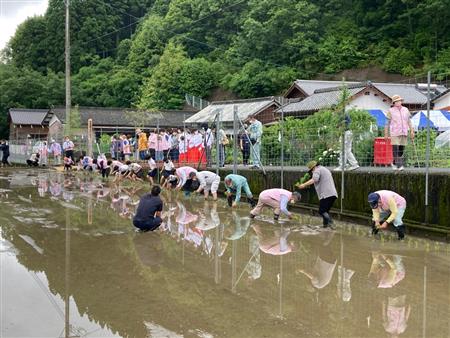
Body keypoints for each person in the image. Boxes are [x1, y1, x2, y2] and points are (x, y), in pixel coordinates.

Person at [296, 161, 338, 229]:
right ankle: (325, 226)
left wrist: (303, 184)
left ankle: (331, 223)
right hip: (332, 194)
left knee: (321, 211)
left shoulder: (317, 170)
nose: (311, 172)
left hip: (325, 194)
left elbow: (314, 179)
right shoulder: (324, 169)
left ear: (314, 167)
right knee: (325, 211)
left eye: (311, 170)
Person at [385, 95, 414, 171]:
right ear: (394, 103)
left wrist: (412, 131)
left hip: (404, 132)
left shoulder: (406, 110)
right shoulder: (390, 111)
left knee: (401, 150)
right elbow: (387, 123)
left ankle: (394, 163)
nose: (398, 102)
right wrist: (386, 134)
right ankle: (399, 165)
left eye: (400, 100)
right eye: (397, 101)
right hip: (394, 132)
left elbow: (409, 121)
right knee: (395, 148)